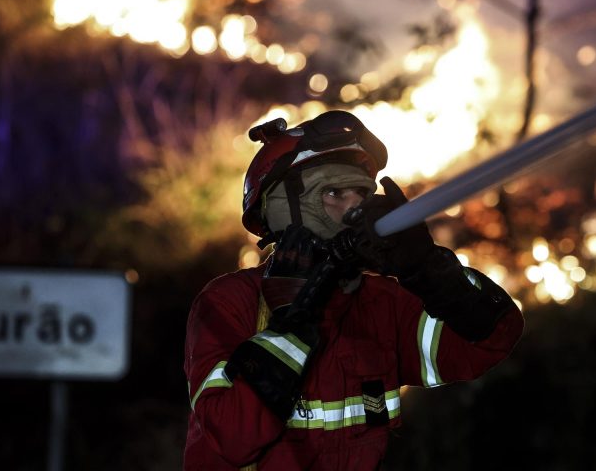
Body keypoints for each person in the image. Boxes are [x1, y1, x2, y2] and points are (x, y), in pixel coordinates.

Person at [183, 110, 524, 470]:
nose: (354, 210)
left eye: (361, 193)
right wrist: (293, 321)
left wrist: (427, 269)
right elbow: (233, 437)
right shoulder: (228, 302)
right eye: (333, 193)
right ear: (285, 207)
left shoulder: (382, 302)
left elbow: (489, 341)